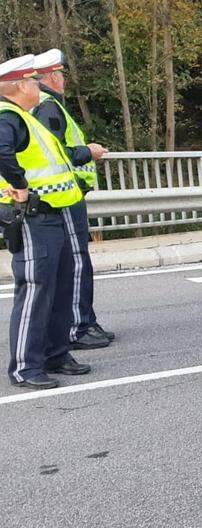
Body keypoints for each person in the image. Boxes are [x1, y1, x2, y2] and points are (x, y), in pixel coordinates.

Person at [0, 55, 92, 389]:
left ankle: (56, 354)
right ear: (21, 86)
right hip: (32, 216)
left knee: (60, 284)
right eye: (34, 82)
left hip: (54, 214)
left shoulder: (26, 116)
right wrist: (20, 186)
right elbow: (2, 152)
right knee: (36, 290)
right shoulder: (6, 116)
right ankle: (25, 366)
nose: (39, 87)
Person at [31, 48, 112, 350]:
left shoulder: (44, 105)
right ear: (52, 75)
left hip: (62, 194)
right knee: (77, 263)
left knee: (74, 262)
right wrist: (88, 152)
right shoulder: (48, 107)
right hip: (63, 194)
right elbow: (60, 154)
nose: (64, 78)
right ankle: (79, 326)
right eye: (61, 73)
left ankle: (83, 322)